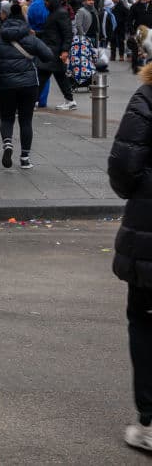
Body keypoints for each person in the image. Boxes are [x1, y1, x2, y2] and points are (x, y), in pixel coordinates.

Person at [107, 59, 152, 453]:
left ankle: (150, 420)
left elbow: (123, 165)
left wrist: (136, 191)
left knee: (145, 320)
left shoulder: (147, 98)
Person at [0, 1, 55, 169]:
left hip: (5, 85)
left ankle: (8, 143)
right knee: (26, 121)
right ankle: (25, 158)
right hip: (29, 84)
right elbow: (48, 56)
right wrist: (33, 59)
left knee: (7, 118)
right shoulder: (31, 39)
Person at [37, 0, 77, 110]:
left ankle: (33, 101)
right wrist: (37, 34)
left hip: (55, 51)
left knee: (42, 75)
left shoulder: (60, 13)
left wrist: (65, 50)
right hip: (53, 51)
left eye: (47, 1)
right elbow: (51, 32)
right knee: (58, 77)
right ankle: (70, 100)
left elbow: (67, 33)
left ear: (53, 1)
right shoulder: (54, 13)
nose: (45, 3)